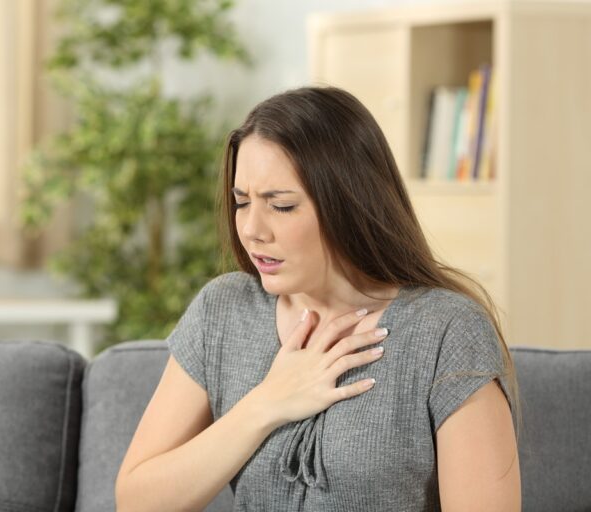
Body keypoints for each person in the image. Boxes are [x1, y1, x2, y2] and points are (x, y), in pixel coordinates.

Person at [115, 86, 521, 511]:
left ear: (349, 202)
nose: (253, 229)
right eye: (241, 202)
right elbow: (137, 501)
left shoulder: (446, 331)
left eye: (282, 206)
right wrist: (266, 404)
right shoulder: (224, 311)